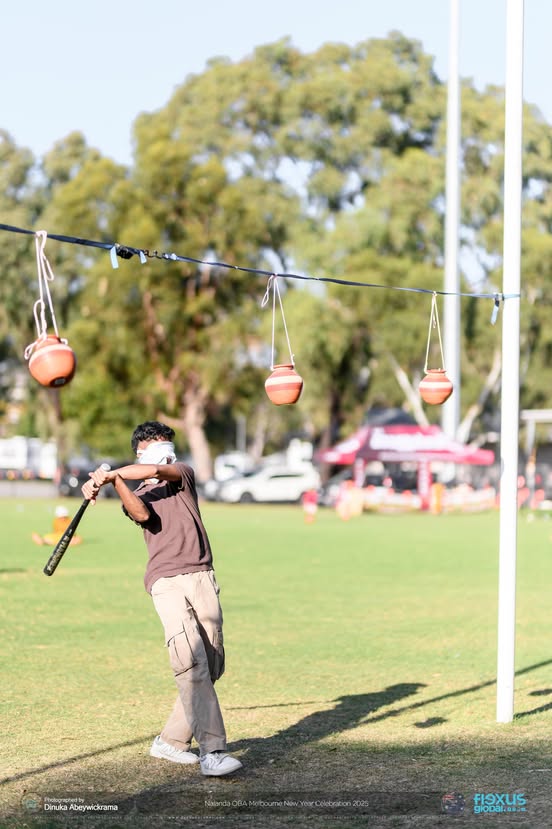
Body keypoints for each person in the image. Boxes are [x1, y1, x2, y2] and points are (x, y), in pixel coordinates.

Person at [82, 421, 242, 777]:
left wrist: (107, 476)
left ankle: (170, 742)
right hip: (165, 581)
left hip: (202, 574)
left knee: (212, 665)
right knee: (190, 661)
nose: (165, 447)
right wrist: (117, 483)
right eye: (156, 442)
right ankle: (213, 752)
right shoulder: (137, 492)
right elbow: (141, 515)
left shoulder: (180, 475)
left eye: (167, 442)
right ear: (140, 448)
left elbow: (157, 469)